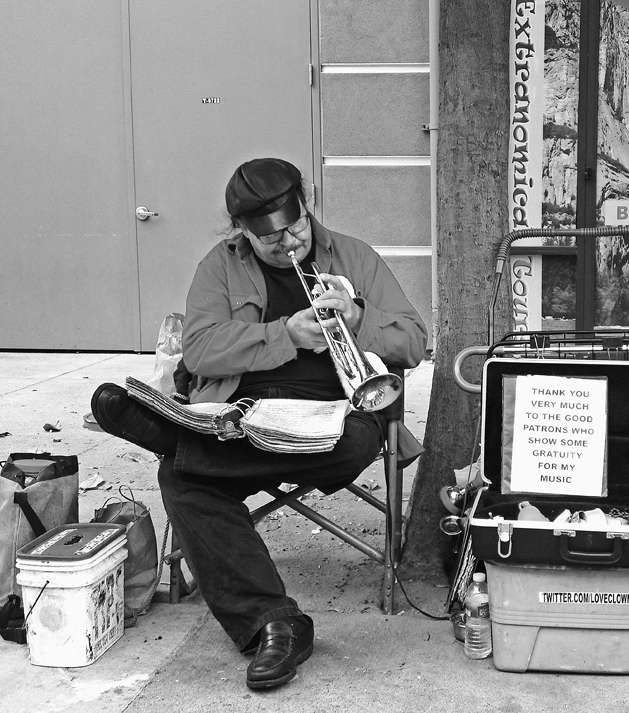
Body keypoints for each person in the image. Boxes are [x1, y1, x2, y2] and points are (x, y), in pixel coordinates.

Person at [90, 157, 427, 690]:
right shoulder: (218, 266)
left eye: (294, 228)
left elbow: (414, 340)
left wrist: (359, 318)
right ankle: (274, 622)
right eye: (270, 239)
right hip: (244, 410)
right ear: (242, 231)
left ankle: (178, 440)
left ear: (305, 205)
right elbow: (198, 351)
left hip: (337, 414)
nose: (288, 243)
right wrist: (285, 336)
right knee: (183, 484)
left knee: (335, 445)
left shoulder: (354, 256)